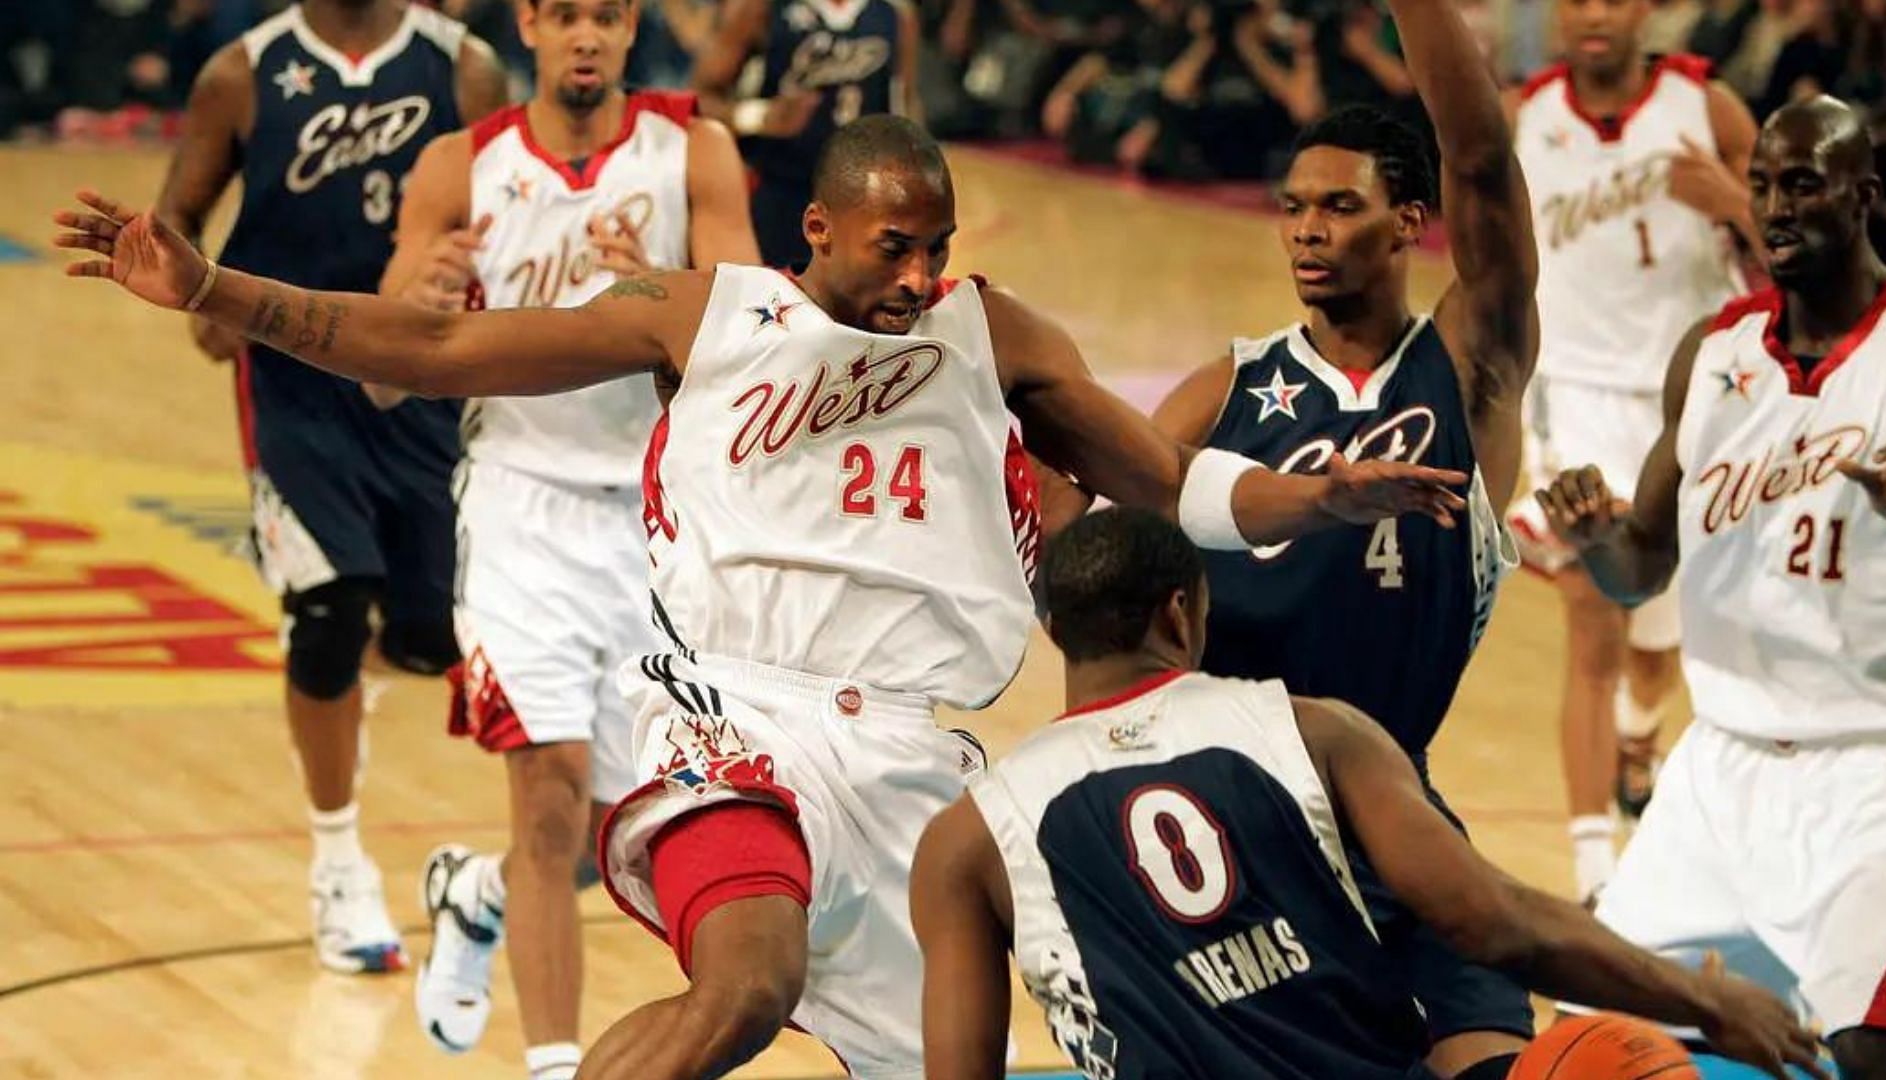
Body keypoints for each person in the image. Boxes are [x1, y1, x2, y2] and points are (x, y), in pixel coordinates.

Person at [54, 112, 1470, 1077]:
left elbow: (1175, 481)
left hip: (917, 758)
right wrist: (217, 292)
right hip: (731, 716)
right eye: (891, 250)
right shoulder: (711, 318)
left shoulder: (994, 335)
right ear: (818, 230)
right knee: (745, 986)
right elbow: (443, 345)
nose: (918, 278)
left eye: (938, 247)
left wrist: (1319, 499)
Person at [910, 506, 1822, 1080]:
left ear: (1058, 631)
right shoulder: (1311, 729)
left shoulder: (969, 839)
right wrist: (1707, 1004)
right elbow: (1491, 920)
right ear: (1182, 613)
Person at [1141, 0, 1537, 1068]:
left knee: (1493, 1054)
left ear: (1412, 221)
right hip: (1236, 824)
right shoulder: (1228, 383)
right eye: (1293, 207)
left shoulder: (1465, 364)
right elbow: (1091, 559)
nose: (1308, 229)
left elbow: (1485, 158)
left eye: (1340, 206)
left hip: (1396, 802)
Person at [372, 1, 759, 1076]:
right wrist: (422, 298)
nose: (586, 34)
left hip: (653, 519)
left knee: (615, 828)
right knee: (544, 801)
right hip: (517, 502)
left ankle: (477, 893)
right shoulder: (459, 165)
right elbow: (378, 371)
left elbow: (752, 367)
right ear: (530, 24)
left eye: (606, 14)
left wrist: (664, 293)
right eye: (566, 13)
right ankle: (553, 1062)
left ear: (630, 26)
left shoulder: (697, 155)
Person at [1535, 95, 1886, 1078]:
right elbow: (1640, 570)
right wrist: (1594, 540)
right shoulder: (1711, 355)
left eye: (1803, 184)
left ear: (1864, 195)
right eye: (1762, 187)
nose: (1776, 207)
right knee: (1580, 1046)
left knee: (1877, 1056)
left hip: (1879, 772)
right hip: (1715, 773)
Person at [152, 0, 507, 975]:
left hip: (418, 375)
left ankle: (342, 675)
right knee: (329, 615)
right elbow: (179, 211)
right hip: (294, 380)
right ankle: (338, 857)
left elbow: (507, 212)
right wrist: (200, 294)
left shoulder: (462, 68)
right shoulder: (243, 72)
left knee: (436, 639)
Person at [1505, 0, 1758, 901]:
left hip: (1698, 400)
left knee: (1661, 641)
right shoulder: (1523, 118)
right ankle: (1595, 880)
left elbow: (1799, 254)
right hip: (1573, 402)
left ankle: (1638, 730)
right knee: (1592, 618)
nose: (1595, 13)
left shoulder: (1707, 108)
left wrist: (1736, 202)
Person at [690, 0, 919, 269]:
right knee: (774, 304)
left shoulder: (896, 13)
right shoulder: (759, 8)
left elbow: (907, 106)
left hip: (862, 202)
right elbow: (698, 100)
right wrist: (759, 116)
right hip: (781, 195)